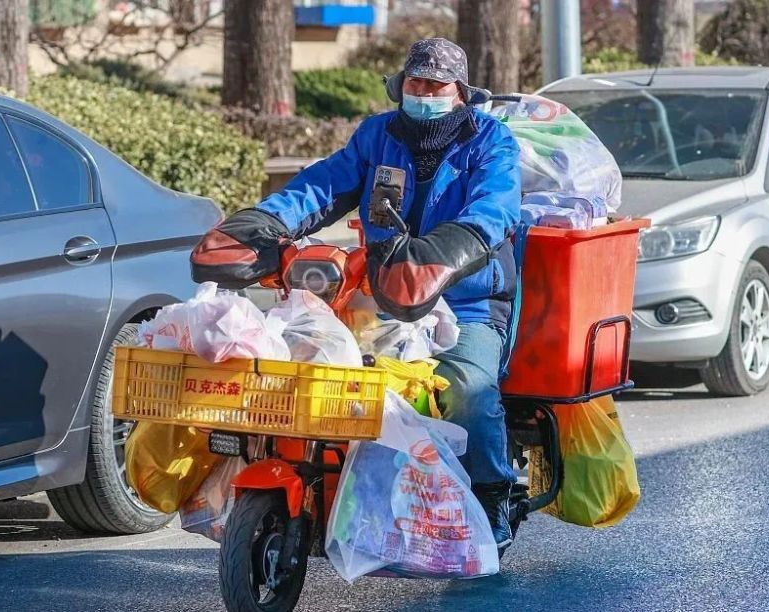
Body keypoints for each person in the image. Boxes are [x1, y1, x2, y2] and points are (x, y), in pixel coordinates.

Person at [190, 38, 522, 553]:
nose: (424, 92)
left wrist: (444, 254)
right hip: (378, 295)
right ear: (400, 86)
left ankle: (492, 495)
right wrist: (266, 221)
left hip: (467, 300)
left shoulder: (491, 141)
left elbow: (495, 208)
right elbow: (323, 186)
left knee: (467, 391)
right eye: (415, 83)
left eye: (436, 85)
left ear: (459, 92)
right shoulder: (377, 135)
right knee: (302, 369)